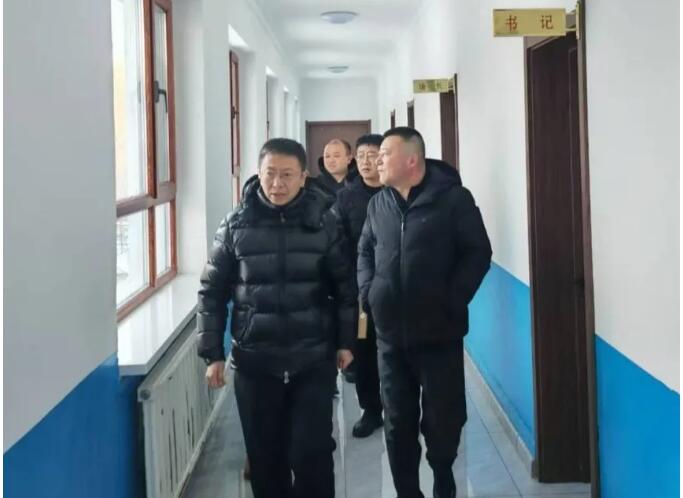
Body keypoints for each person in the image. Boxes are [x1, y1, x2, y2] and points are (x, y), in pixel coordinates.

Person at [197, 138, 356, 498]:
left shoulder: (324, 222)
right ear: (258, 173)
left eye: (287, 175)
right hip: (256, 362)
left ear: (303, 176)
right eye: (270, 174)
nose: (277, 184)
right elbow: (211, 290)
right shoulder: (235, 225)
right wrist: (213, 353)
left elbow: (346, 288)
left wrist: (346, 342)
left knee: (311, 453)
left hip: (312, 358)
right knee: (265, 458)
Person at [357, 128, 492, 498]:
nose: (376, 161)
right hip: (389, 337)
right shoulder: (379, 203)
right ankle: (407, 490)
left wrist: (453, 299)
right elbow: (365, 250)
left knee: (443, 417)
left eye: (385, 153)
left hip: (439, 333)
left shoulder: (453, 200)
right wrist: (369, 293)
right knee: (397, 420)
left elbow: (478, 251)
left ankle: (443, 473)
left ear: (411, 160)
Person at [333, 133, 385, 438]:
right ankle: (371, 411)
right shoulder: (346, 197)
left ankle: (402, 409)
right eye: (362, 155)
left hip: (395, 289)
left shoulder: (397, 191)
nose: (366, 161)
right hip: (361, 293)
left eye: (373, 155)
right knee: (365, 352)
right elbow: (338, 245)